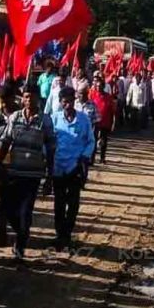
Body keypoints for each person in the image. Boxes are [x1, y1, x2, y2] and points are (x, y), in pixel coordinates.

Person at [0, 84, 56, 259]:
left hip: (33, 175)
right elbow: (5, 141)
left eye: (32, 96)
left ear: (38, 98)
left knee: (25, 212)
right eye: (26, 96)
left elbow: (51, 149)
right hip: (13, 173)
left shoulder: (45, 121)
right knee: (7, 209)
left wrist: (50, 178)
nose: (28, 100)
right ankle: (22, 233)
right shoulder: (15, 117)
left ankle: (20, 247)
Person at [51, 87, 95, 251]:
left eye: (70, 101)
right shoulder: (55, 119)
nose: (68, 104)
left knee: (73, 203)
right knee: (59, 203)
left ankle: (68, 233)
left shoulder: (83, 120)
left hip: (76, 168)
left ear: (74, 101)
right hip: (58, 168)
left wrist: (85, 156)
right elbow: (48, 142)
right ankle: (59, 235)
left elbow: (91, 141)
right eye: (64, 102)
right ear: (61, 102)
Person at [0, 84, 19, 247]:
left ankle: (19, 233)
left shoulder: (21, 115)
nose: (4, 105)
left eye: (7, 101)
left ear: (13, 98)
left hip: (16, 162)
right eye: (2, 102)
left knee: (13, 200)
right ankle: (1, 234)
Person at [89, 77, 115, 164]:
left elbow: (112, 110)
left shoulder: (108, 97)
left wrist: (113, 122)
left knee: (103, 140)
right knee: (93, 140)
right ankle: (91, 159)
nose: (98, 87)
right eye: (97, 86)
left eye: (100, 86)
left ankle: (102, 158)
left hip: (105, 122)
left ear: (103, 86)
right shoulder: (92, 95)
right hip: (95, 122)